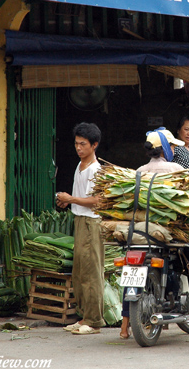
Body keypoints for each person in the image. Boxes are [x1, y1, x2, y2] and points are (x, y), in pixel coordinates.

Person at [119, 127, 189, 340]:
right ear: (165, 149)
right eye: (171, 146)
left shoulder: (139, 172)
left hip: (140, 235)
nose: (173, 149)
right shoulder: (176, 169)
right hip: (170, 238)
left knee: (132, 270)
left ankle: (124, 328)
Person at [56, 123, 105, 335]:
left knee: (91, 272)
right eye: (76, 144)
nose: (78, 148)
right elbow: (82, 198)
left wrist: (71, 198)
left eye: (83, 144)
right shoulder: (80, 165)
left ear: (94, 145)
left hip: (91, 223)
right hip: (79, 220)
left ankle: (94, 321)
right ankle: (84, 316)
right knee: (79, 272)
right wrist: (69, 203)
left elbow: (98, 200)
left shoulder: (96, 169)